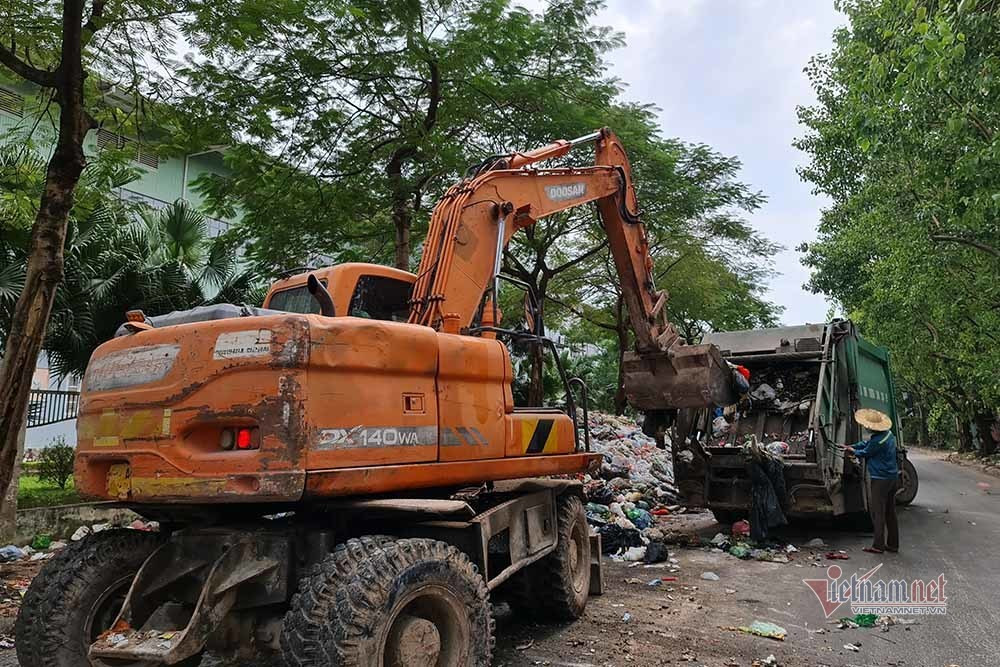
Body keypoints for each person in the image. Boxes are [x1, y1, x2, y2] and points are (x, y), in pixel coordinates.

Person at [846, 408, 899, 554]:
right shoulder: (888, 435)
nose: (866, 427)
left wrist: (852, 451)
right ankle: (893, 544)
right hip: (892, 478)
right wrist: (852, 446)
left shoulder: (877, 441)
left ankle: (878, 545)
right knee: (890, 512)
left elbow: (866, 452)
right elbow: (866, 444)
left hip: (880, 480)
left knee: (878, 512)